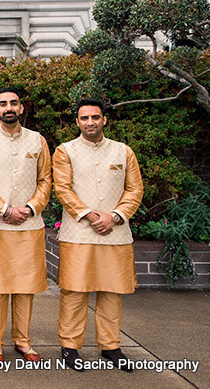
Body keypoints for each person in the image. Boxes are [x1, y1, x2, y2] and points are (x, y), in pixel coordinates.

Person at [53, 98, 143, 372]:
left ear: (105, 120)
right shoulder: (64, 151)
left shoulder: (123, 151)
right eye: (84, 118)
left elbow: (135, 189)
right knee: (74, 292)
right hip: (78, 232)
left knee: (111, 292)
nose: (90, 122)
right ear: (77, 122)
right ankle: (69, 347)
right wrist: (92, 215)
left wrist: (114, 216)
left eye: (95, 117)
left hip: (115, 234)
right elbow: (63, 189)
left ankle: (110, 346)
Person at [0, 87, 51, 363]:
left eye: (13, 103)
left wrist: (29, 208)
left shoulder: (38, 141)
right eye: (3, 104)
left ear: (21, 108)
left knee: (25, 286)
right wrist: (4, 209)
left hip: (29, 224)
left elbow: (45, 180)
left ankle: (23, 342)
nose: (9, 108)